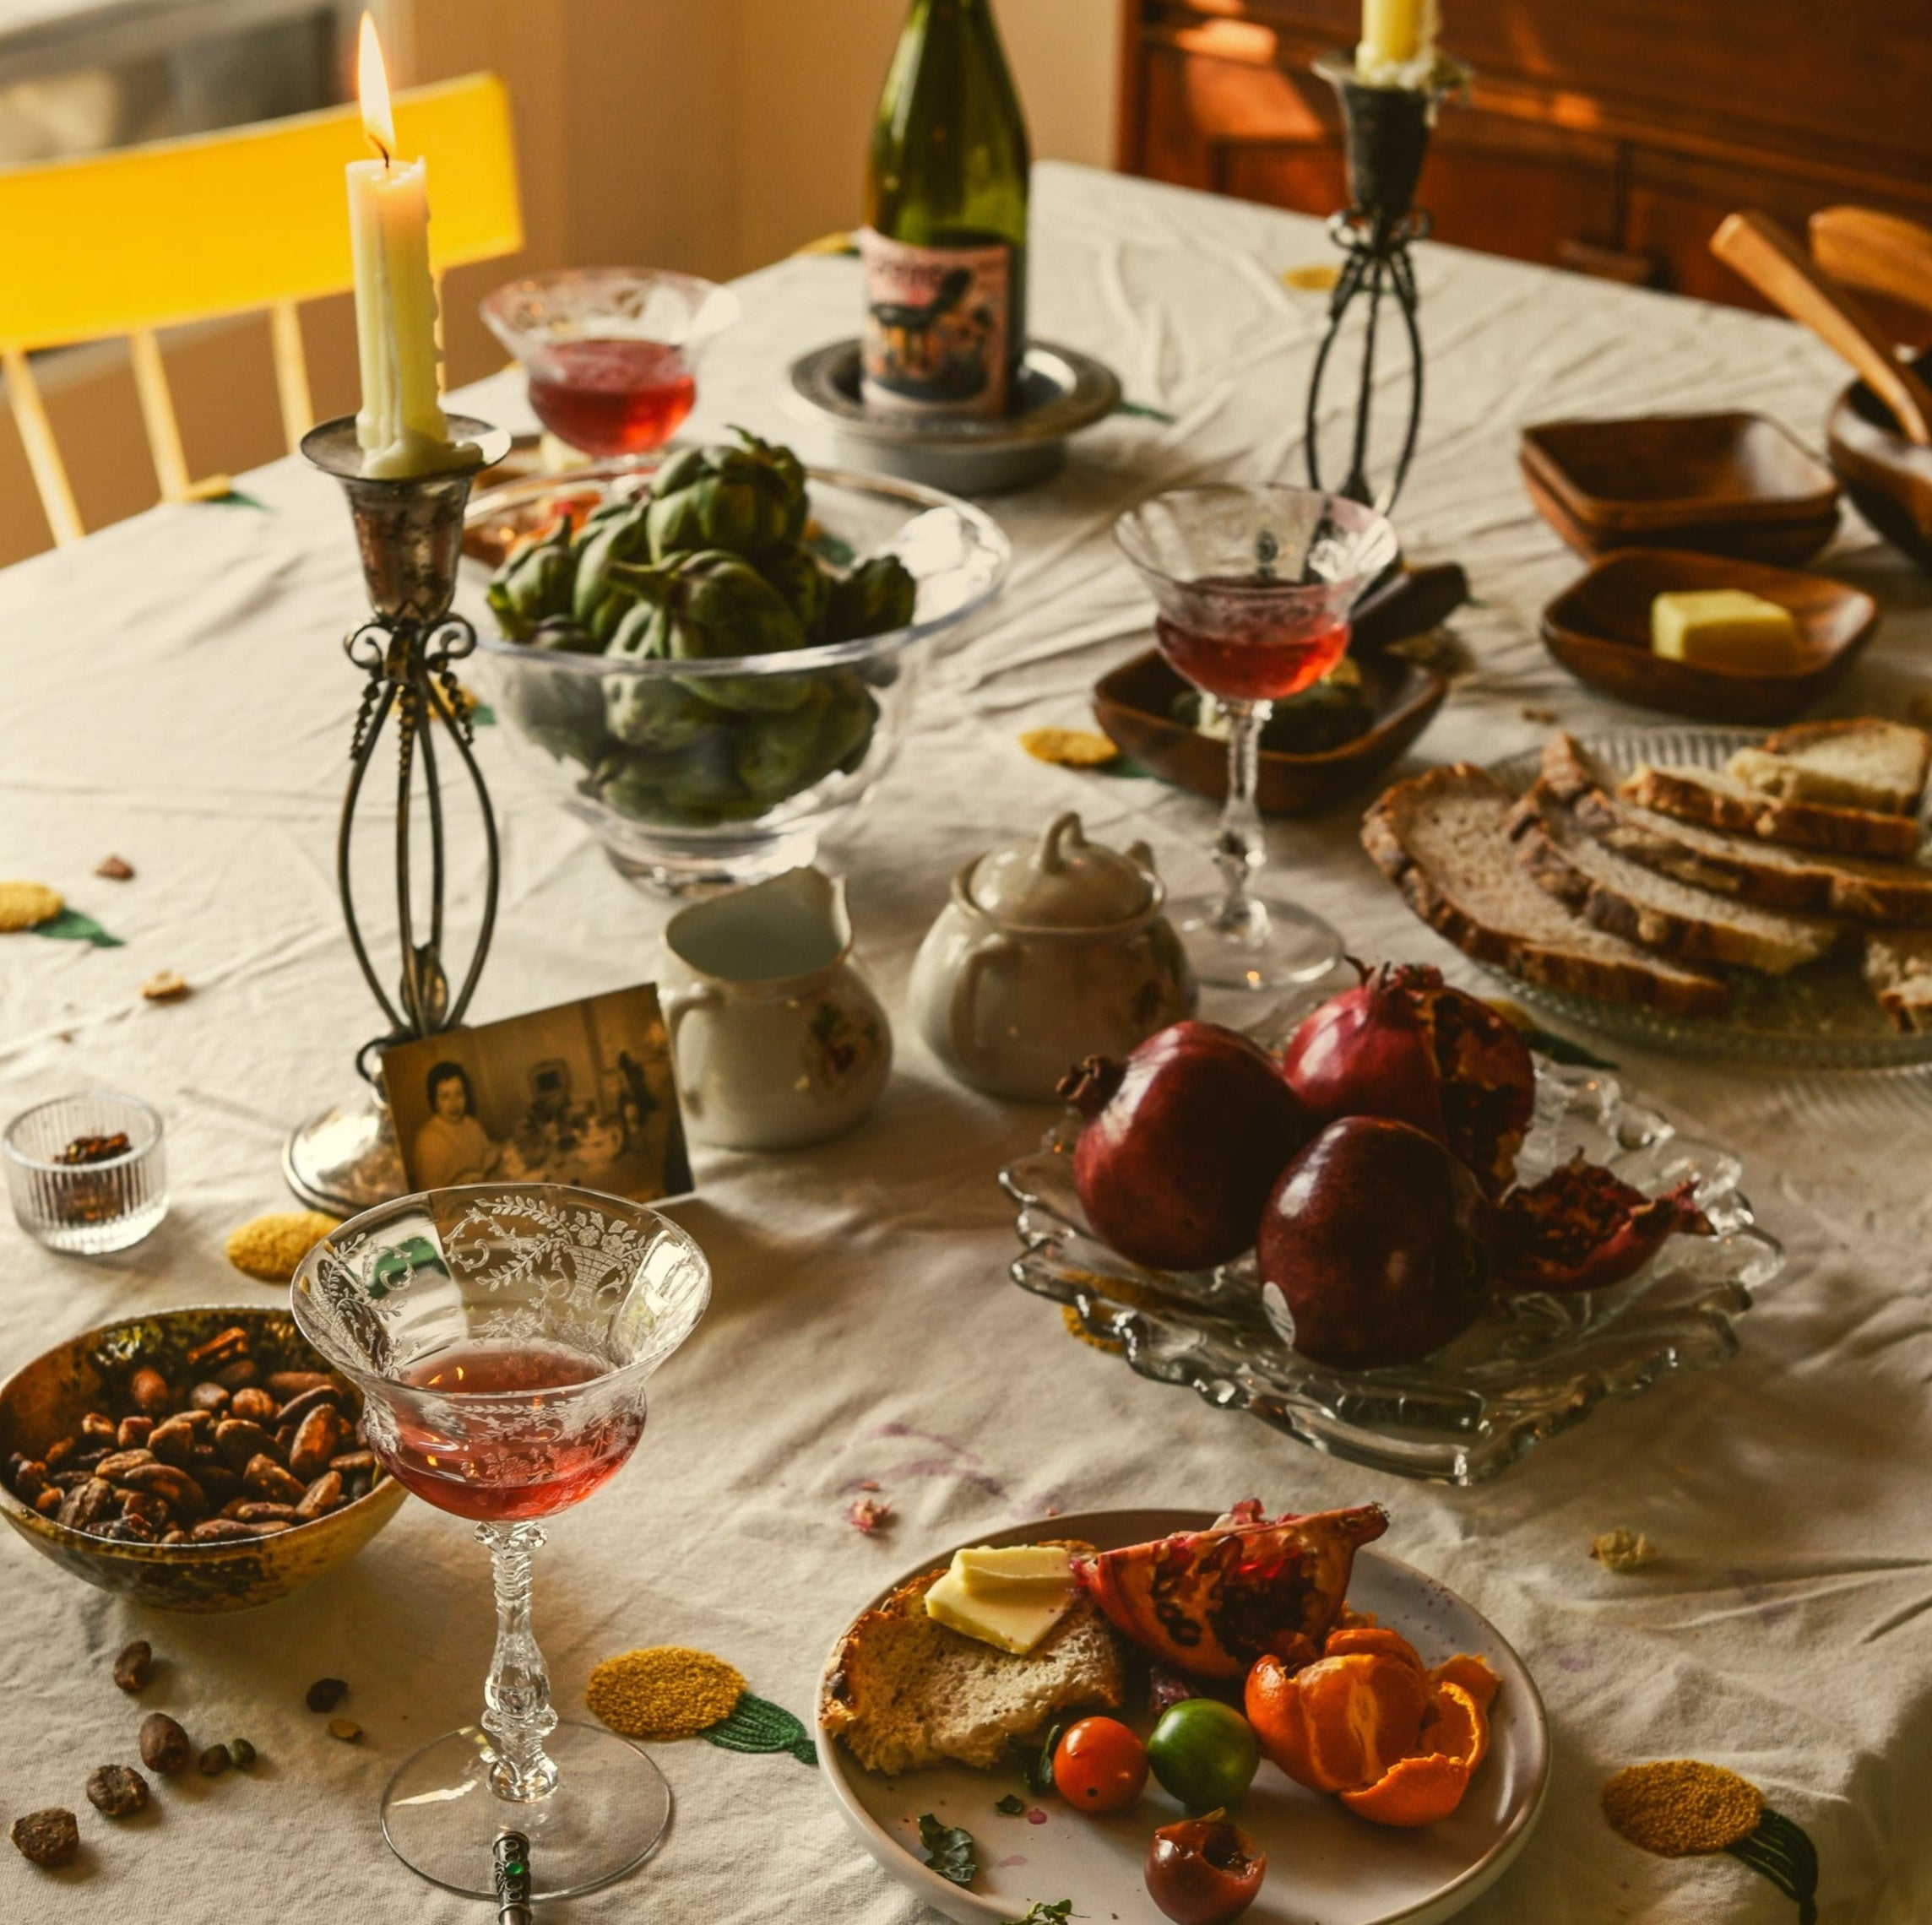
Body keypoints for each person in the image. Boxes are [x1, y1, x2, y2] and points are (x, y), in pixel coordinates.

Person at [412, 1061, 502, 1188]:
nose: (454, 1103)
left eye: (459, 1093)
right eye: (445, 1096)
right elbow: (434, 1196)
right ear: (435, 1101)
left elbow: (489, 1154)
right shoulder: (427, 1140)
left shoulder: (471, 1124)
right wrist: (465, 1179)